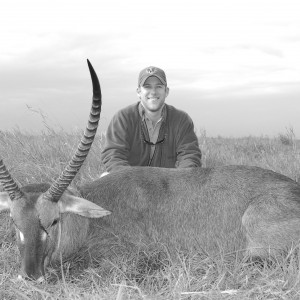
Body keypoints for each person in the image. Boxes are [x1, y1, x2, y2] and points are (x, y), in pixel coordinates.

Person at [101, 66, 202, 173]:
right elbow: (113, 155)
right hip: (132, 183)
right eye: (147, 87)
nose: (153, 92)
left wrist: (179, 180)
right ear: (138, 92)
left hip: (168, 185)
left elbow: (190, 155)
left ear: (166, 91)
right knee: (105, 177)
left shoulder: (181, 120)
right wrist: (131, 180)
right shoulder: (123, 118)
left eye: (158, 86)